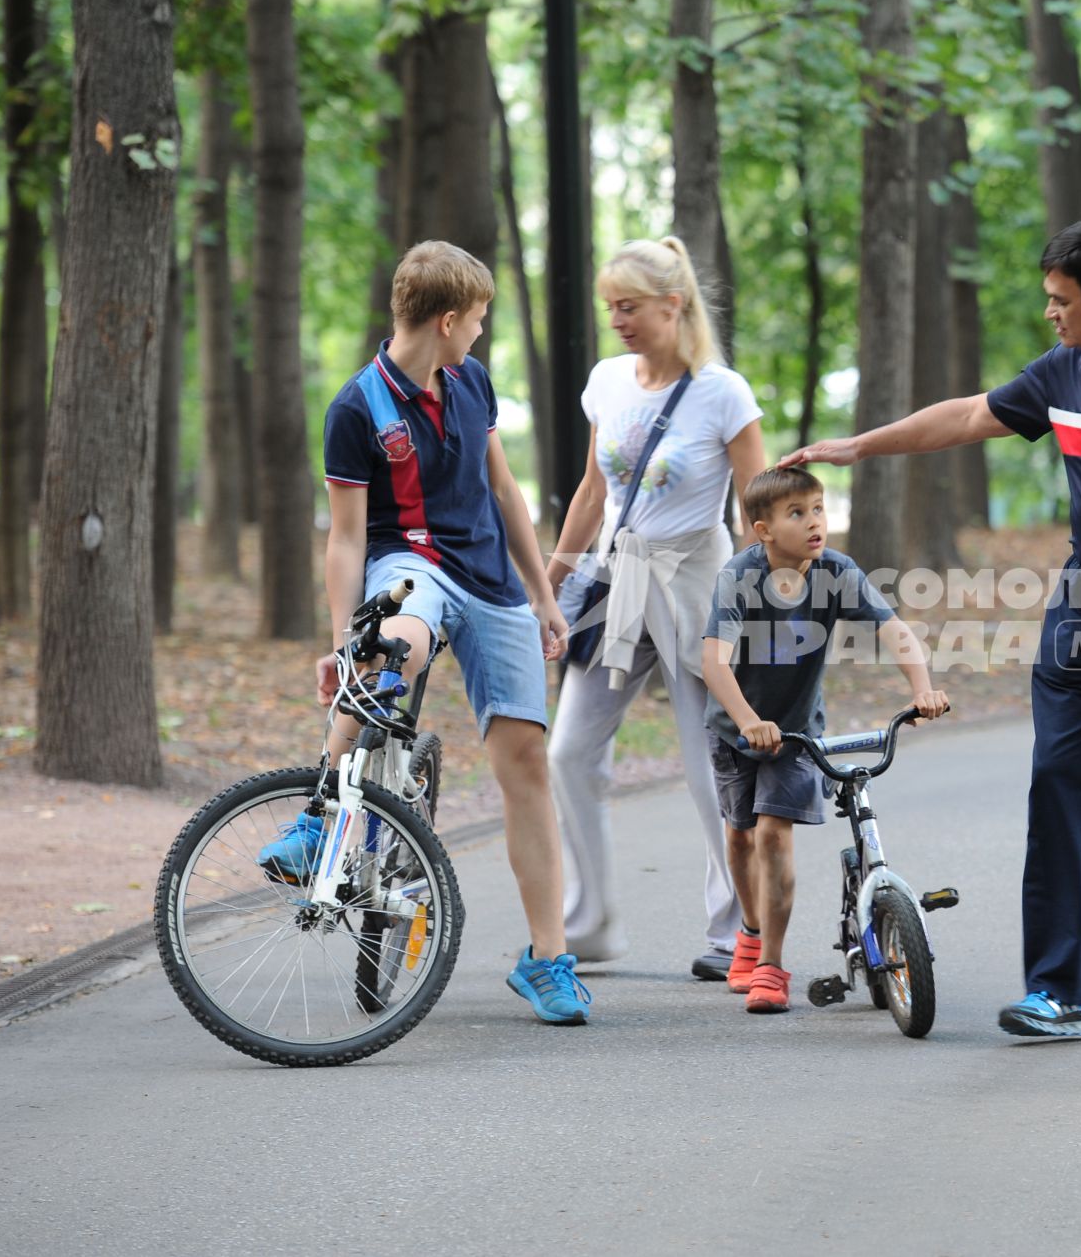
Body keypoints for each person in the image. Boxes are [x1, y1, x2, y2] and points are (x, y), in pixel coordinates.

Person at [781, 212, 1081, 1041]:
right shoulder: (1066, 368)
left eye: (1060, 300)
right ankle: (1060, 988)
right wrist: (859, 448)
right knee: (1059, 796)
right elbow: (970, 416)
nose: (1049, 313)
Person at [261, 240, 590, 1024]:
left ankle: (547, 959)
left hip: (492, 580)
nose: (480, 333)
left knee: (527, 762)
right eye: (477, 320)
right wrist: (344, 642)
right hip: (410, 564)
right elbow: (344, 538)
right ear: (447, 320)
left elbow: (504, 489)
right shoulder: (356, 408)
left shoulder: (471, 381)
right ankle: (319, 816)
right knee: (392, 649)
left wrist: (543, 595)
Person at [545, 238, 767, 981]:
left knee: (712, 761)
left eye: (630, 307)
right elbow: (590, 492)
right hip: (617, 578)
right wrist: (553, 580)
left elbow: (756, 505)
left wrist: (759, 598)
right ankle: (591, 922)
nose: (617, 320)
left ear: (674, 306)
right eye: (611, 307)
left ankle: (738, 926)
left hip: (697, 580)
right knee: (569, 751)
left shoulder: (723, 392)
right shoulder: (607, 381)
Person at [700, 467, 950, 1012]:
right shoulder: (739, 577)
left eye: (818, 509)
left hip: (795, 732)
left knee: (773, 834)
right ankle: (747, 932)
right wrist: (746, 720)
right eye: (797, 514)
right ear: (763, 530)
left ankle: (770, 964)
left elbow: (896, 631)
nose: (814, 522)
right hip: (734, 729)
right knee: (740, 837)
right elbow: (713, 663)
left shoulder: (836, 572)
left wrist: (923, 689)